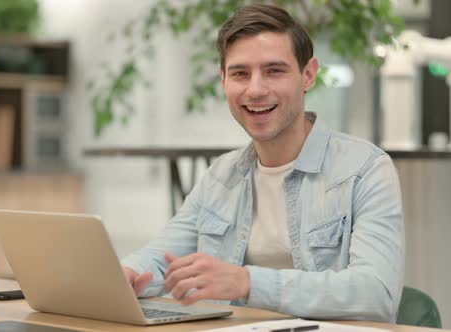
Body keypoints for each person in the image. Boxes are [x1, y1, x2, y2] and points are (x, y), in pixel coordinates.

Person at [121, 3, 404, 323]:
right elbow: (162, 259)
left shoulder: (365, 169)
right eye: (240, 73)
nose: (255, 90)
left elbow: (376, 293)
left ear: (308, 75)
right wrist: (126, 274)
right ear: (224, 80)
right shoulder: (220, 176)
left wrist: (247, 281)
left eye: (274, 71)